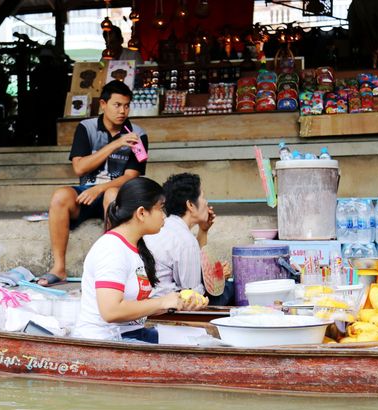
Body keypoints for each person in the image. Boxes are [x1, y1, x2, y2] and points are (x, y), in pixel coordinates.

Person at [38, 80, 149, 286]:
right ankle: (59, 268)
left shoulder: (138, 133)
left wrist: (100, 188)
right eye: (117, 105)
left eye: (126, 105)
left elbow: (132, 176)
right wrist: (115, 144)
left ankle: (109, 268)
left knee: (112, 194)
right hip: (86, 193)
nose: (122, 111)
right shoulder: (86, 128)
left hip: (118, 196)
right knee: (60, 196)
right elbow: (79, 168)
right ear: (103, 104)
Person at [72, 177, 203, 343]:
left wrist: (175, 302)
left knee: (201, 338)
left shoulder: (138, 248)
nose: (164, 216)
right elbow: (111, 311)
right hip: (106, 340)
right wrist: (162, 302)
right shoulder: (112, 249)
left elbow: (137, 307)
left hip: (132, 333)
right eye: (160, 209)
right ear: (141, 213)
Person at [144, 173, 233, 305]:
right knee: (231, 288)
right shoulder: (185, 240)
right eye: (203, 197)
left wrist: (203, 230)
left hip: (153, 300)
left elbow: (193, 262)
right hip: (167, 306)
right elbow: (192, 294)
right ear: (190, 205)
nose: (206, 203)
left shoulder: (166, 226)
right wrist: (215, 279)